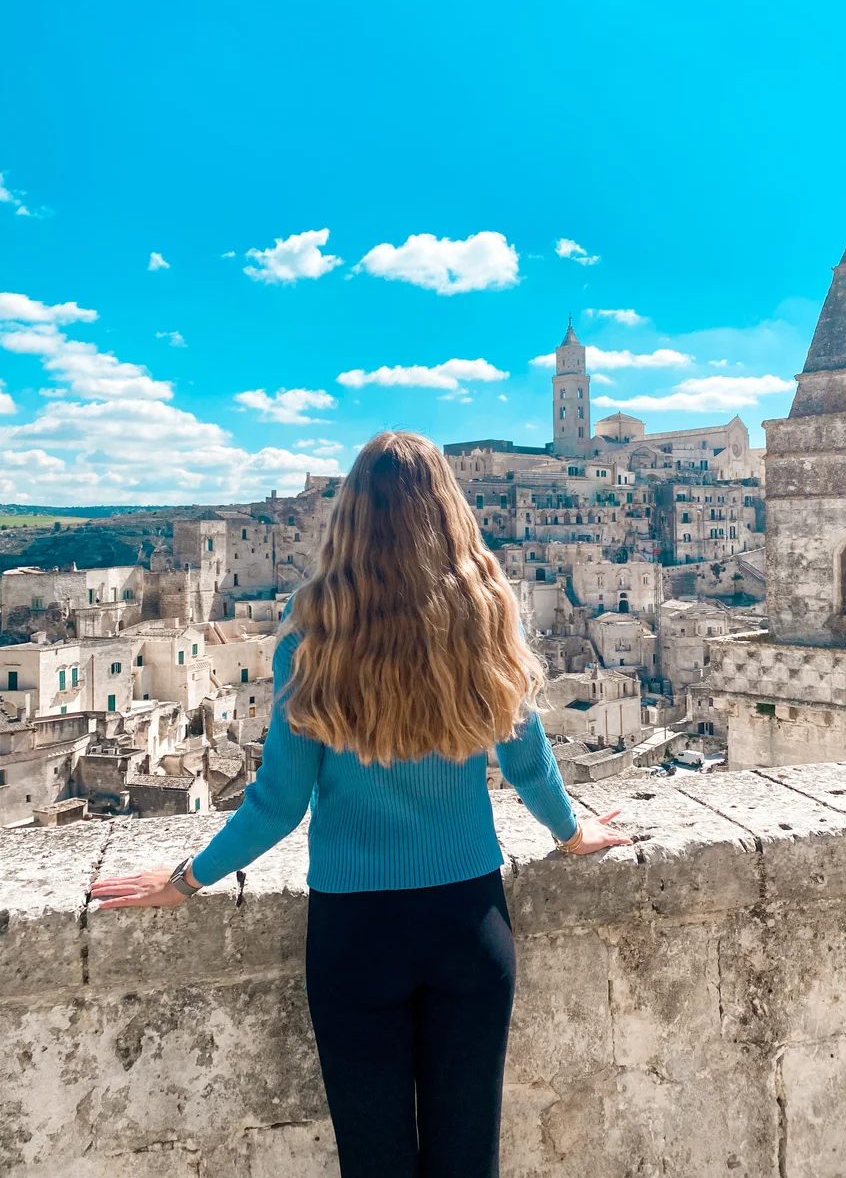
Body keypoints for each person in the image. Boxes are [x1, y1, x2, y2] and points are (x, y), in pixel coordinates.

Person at [94, 430, 631, 1178]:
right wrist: (571, 833)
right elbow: (527, 762)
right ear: (449, 511)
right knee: (468, 1157)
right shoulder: (484, 616)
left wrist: (186, 879)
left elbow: (279, 803)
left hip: (355, 931)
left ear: (348, 516)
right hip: (469, 923)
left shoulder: (312, 633)